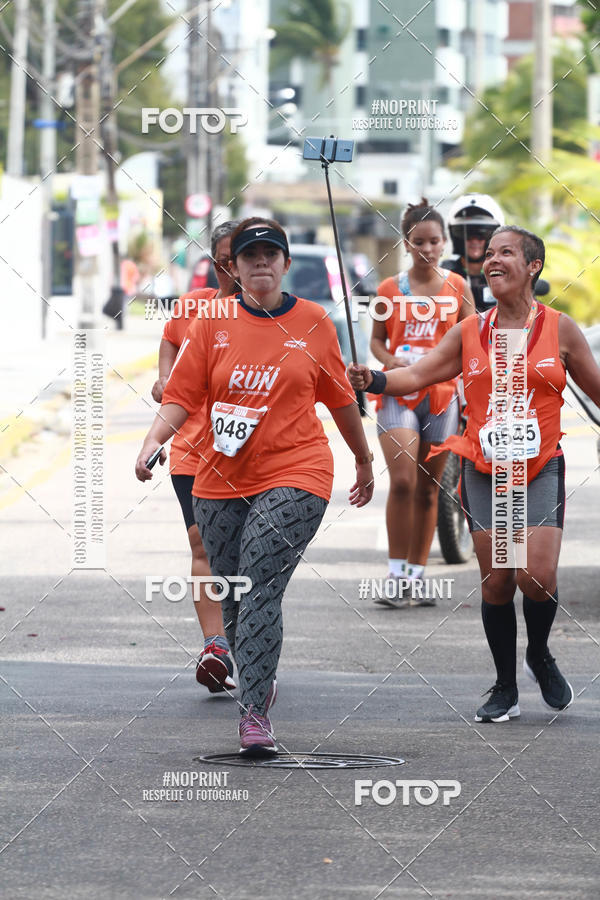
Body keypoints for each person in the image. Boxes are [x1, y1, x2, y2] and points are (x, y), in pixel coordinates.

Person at [136, 217, 374, 754]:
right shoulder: (211, 322)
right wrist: (152, 442)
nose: (260, 262)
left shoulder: (314, 322)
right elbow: (182, 393)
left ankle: (254, 713)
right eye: (249, 256)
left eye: (271, 254)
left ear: (286, 264)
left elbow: (340, 400)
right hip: (218, 478)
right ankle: (254, 681)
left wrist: (363, 459)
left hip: (298, 470)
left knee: (262, 581)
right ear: (234, 267)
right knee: (237, 594)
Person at [349, 225, 600, 721]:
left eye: (506, 253)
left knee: (537, 576)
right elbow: (419, 375)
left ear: (533, 266)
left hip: (540, 467)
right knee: (498, 583)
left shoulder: (561, 329)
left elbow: (596, 388)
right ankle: (505, 686)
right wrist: (375, 378)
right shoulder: (471, 331)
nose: (492, 260)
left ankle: (540, 654)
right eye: (489, 254)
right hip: (486, 470)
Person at [150, 221, 240, 695]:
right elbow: (169, 340)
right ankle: (215, 646)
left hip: (250, 454)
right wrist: (165, 379)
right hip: (191, 447)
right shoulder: (193, 306)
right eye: (223, 259)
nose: (232, 269)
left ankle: (251, 642)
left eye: (239, 258)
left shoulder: (271, 315)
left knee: (245, 554)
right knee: (202, 544)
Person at [371, 199, 474, 608]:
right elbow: (377, 341)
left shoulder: (457, 287)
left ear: (445, 243)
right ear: (406, 243)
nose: (427, 249)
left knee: (430, 490)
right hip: (398, 393)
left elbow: (474, 337)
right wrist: (388, 359)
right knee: (401, 482)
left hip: (442, 397)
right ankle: (396, 577)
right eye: (418, 242)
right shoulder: (387, 289)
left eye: (434, 241)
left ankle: (417, 576)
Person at [442, 193, 505, 313]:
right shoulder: (444, 274)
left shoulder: (507, 272)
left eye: (482, 234)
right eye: (467, 235)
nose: (475, 241)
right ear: (456, 237)